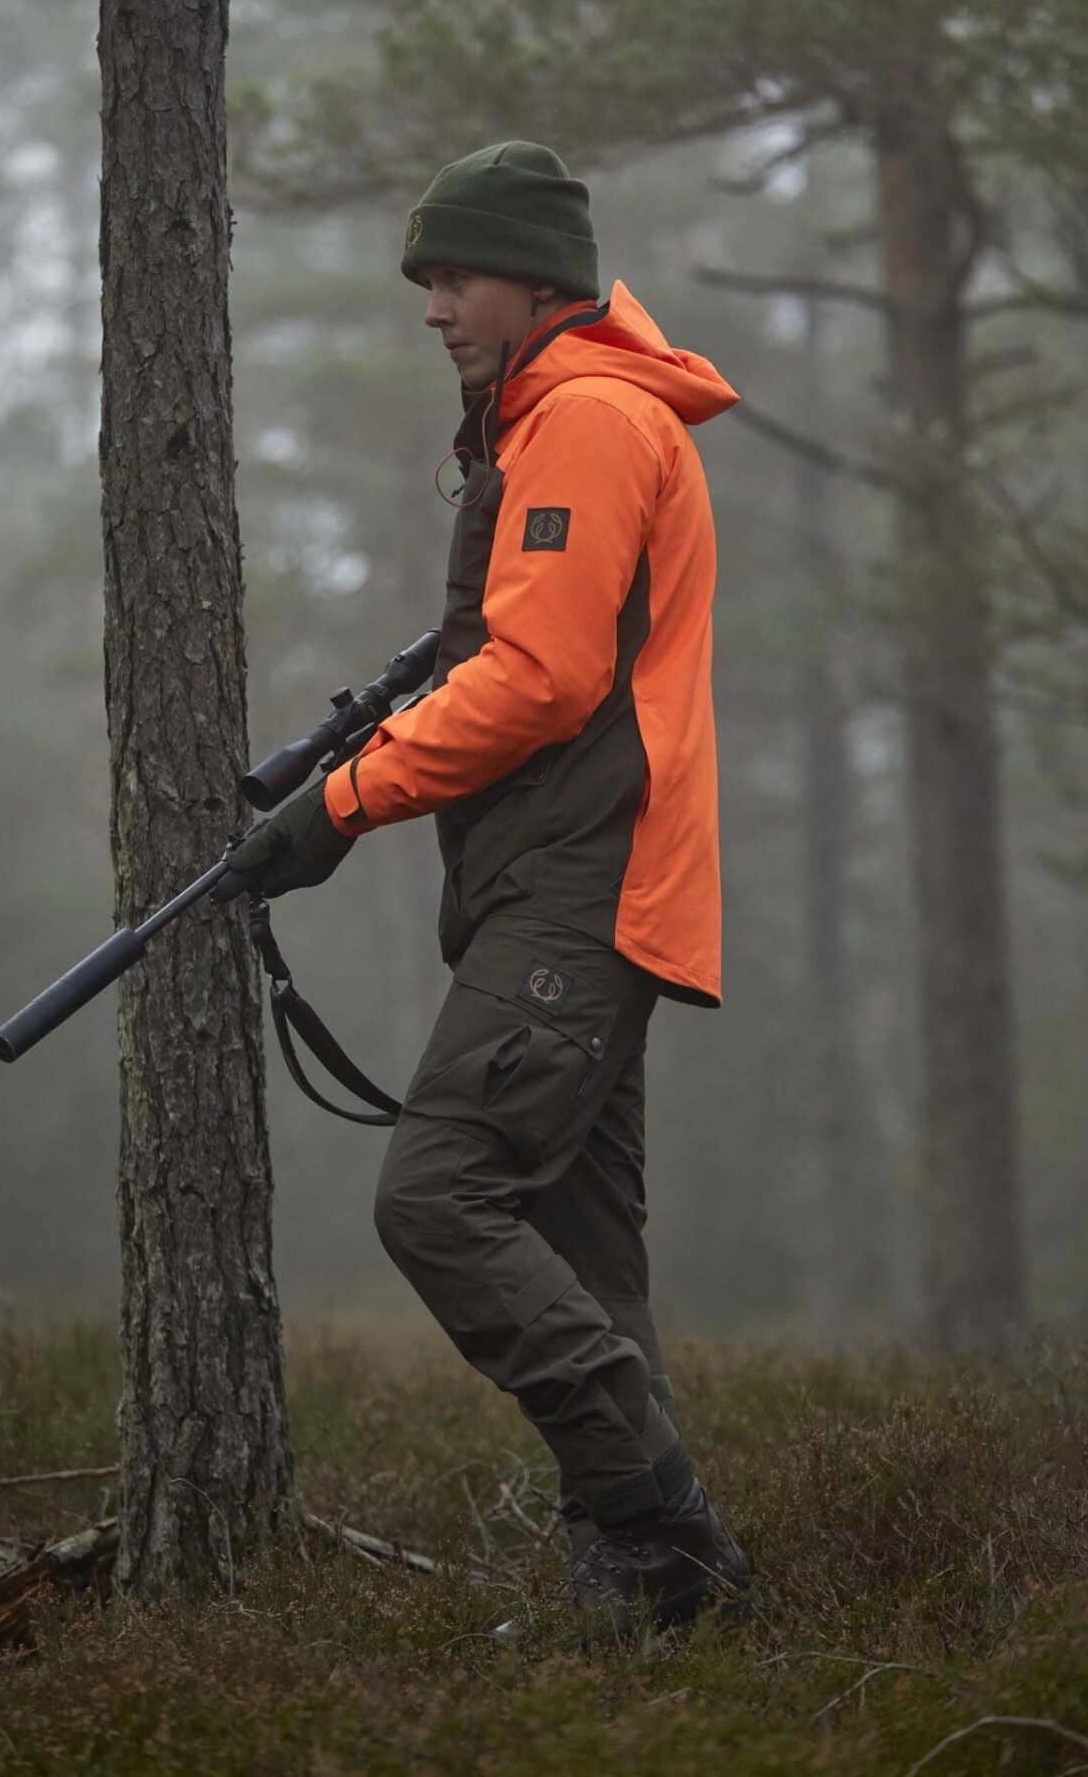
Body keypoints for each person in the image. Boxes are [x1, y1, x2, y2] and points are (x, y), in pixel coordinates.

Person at [228, 140, 750, 1638]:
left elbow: (536, 677)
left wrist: (341, 803)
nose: (432, 305)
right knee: (586, 1252)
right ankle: (653, 1598)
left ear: (535, 279)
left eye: (451, 274)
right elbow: (528, 666)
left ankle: (663, 1530)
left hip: (582, 892)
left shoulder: (585, 419)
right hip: (580, 881)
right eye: (423, 279)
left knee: (440, 1198)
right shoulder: (549, 421)